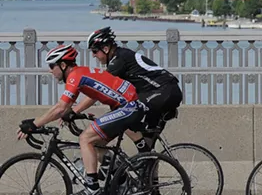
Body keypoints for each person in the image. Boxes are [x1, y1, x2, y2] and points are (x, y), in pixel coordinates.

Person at [17, 45, 145, 195]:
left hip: (128, 106)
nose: (50, 70)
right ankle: (124, 183)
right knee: (97, 146)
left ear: (63, 65)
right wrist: (71, 114)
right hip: (126, 105)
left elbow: (60, 107)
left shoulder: (75, 77)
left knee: (85, 138)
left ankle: (92, 189)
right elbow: (67, 107)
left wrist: (33, 124)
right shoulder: (79, 73)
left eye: (52, 66)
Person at [73, 26, 182, 154]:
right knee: (147, 147)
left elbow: (98, 91)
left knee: (125, 112)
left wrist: (75, 110)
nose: (93, 55)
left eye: (95, 51)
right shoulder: (119, 56)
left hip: (164, 92)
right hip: (159, 92)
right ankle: (148, 164)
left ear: (106, 49)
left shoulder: (119, 60)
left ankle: (144, 150)